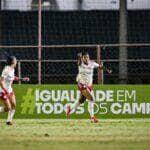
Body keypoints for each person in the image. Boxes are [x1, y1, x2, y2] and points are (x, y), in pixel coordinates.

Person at [66, 52, 112, 123]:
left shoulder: (92, 63)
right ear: (82, 58)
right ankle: (92, 118)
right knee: (91, 99)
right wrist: (79, 57)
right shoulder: (81, 64)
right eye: (84, 57)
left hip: (89, 85)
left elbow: (100, 66)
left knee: (81, 101)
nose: (86, 59)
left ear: (89, 57)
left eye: (87, 57)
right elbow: (78, 62)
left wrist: (107, 70)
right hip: (82, 84)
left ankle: (70, 108)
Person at [0, 56, 29, 125]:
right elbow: (1, 81)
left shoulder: (12, 69)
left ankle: (9, 121)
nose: (16, 61)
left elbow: (12, 77)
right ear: (12, 62)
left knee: (14, 105)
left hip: (9, 90)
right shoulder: (6, 70)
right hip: (2, 91)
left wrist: (22, 79)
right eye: (15, 60)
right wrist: (5, 91)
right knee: (7, 108)